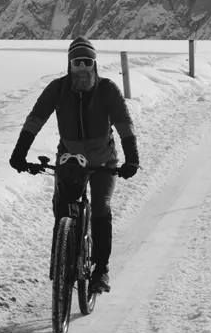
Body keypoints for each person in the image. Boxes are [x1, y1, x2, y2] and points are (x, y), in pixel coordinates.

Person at [8, 36, 140, 294]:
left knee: (101, 208)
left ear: (95, 64)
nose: (82, 68)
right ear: (69, 64)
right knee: (62, 207)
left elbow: (125, 125)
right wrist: (19, 153)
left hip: (103, 159)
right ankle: (62, 258)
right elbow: (35, 119)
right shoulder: (58, 89)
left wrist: (131, 159)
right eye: (76, 62)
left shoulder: (107, 89)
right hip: (70, 158)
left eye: (87, 62)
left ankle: (101, 269)